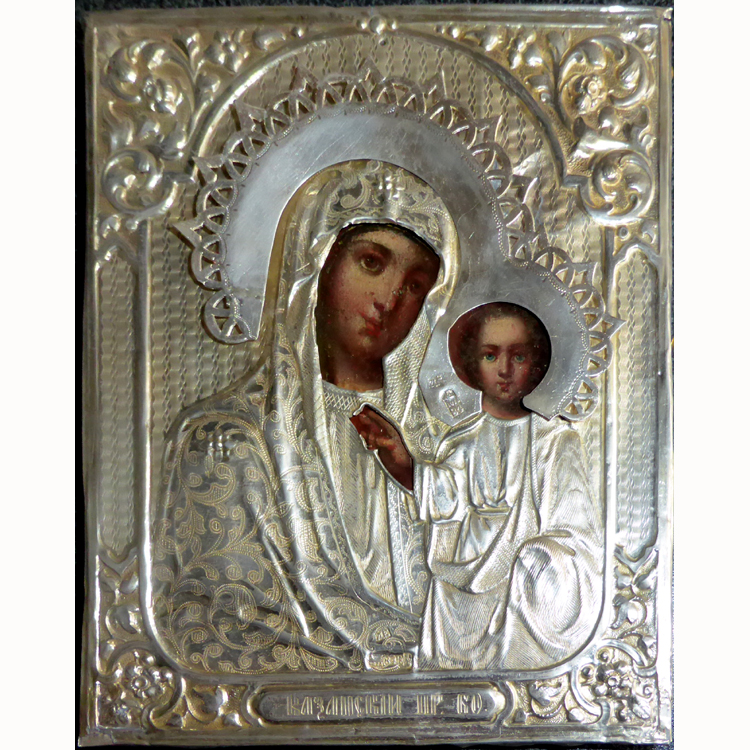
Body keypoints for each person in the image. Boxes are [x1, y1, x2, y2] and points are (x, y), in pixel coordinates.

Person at [150, 162, 459, 675]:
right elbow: (206, 618)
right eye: (372, 263)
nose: (389, 300)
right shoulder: (227, 442)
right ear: (315, 266)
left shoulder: (443, 449)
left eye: (415, 284)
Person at [356, 302, 603, 670]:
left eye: (518, 356)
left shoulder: (555, 441)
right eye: (490, 355)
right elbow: (440, 495)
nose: (504, 369)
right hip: (461, 582)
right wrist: (398, 456)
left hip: (524, 582)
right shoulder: (461, 441)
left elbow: (576, 532)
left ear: (538, 363)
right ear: (471, 365)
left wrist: (536, 559)